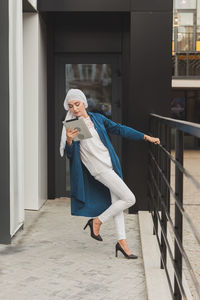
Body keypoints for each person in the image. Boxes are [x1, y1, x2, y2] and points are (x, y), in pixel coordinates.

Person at [60, 88, 160, 259]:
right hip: (99, 170)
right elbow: (70, 155)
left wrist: (145, 137)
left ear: (84, 102)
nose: (75, 109)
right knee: (130, 199)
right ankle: (97, 221)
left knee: (118, 203)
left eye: (77, 104)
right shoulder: (74, 126)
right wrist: (69, 139)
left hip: (110, 165)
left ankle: (122, 243)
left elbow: (120, 129)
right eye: (71, 106)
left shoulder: (97, 119)